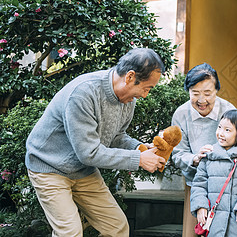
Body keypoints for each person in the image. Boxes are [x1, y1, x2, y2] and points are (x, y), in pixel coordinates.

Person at [25, 48, 166, 237]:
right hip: (49, 166)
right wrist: (138, 159)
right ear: (130, 77)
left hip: (82, 170)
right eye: (147, 88)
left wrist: (140, 148)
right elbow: (88, 152)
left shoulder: (127, 99)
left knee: (117, 228)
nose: (146, 95)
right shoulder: (83, 93)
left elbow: (116, 136)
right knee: (70, 233)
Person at [171, 62, 237, 237]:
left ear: (217, 90)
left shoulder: (230, 111)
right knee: (193, 232)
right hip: (199, 183)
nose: (201, 100)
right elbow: (177, 154)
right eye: (195, 93)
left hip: (232, 185)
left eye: (207, 93)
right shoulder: (181, 114)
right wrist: (195, 159)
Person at [191, 109, 237, 236]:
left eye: (227, 130)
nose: (220, 133)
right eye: (219, 127)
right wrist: (200, 206)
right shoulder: (209, 156)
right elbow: (198, 184)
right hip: (215, 221)